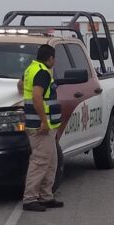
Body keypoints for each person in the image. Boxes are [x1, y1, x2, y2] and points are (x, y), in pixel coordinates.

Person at [21, 44, 65, 212]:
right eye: (54, 59)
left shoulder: (31, 69)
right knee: (40, 162)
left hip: (42, 125)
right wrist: (44, 121)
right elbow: (37, 96)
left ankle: (46, 196)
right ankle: (30, 198)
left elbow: (21, 86)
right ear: (50, 59)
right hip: (40, 127)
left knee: (51, 162)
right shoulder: (42, 73)